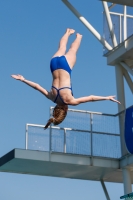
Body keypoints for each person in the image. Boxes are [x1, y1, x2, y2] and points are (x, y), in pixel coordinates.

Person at [11, 28, 120, 129]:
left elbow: (91, 98)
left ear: (65, 110)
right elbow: (37, 87)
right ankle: (67, 32)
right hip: (53, 65)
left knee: (73, 49)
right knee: (61, 48)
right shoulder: (51, 97)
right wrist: (22, 79)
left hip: (65, 66)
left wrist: (107, 98)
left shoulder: (70, 101)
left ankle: (79, 36)